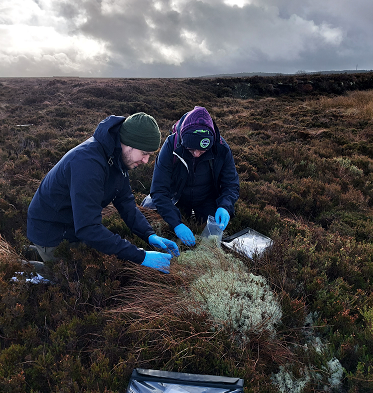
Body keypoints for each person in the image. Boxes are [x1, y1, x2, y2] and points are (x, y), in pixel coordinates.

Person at [27, 113, 179, 276]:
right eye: (144, 153)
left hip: (72, 225)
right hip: (51, 230)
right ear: (128, 144)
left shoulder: (117, 158)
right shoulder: (88, 164)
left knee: (96, 262)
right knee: (76, 280)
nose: (146, 161)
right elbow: (88, 228)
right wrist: (141, 256)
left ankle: (37, 252)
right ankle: (20, 267)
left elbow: (126, 203)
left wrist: (149, 235)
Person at [146, 106, 239, 246]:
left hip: (207, 198)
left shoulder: (221, 149)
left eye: (202, 151)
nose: (196, 154)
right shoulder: (171, 146)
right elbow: (159, 190)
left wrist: (225, 206)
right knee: (156, 225)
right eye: (191, 149)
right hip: (175, 198)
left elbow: (231, 184)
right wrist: (177, 224)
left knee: (213, 239)